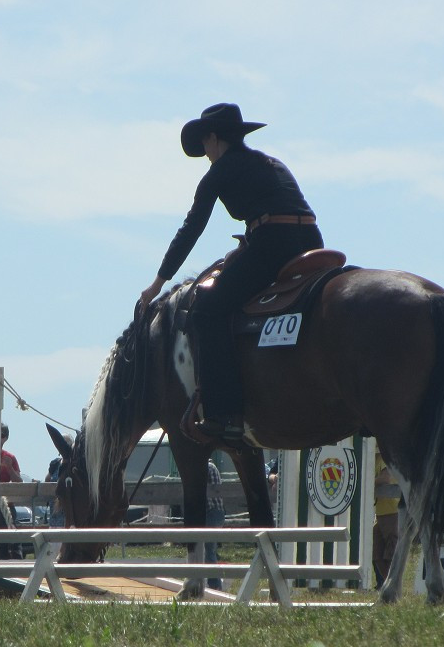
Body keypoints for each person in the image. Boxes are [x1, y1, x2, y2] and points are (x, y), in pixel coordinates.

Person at [137, 103, 323, 446]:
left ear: (212, 138)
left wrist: (157, 284)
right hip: (311, 240)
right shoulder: (270, 162)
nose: (206, 155)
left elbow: (191, 229)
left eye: (205, 146)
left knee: (207, 310)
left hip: (273, 242)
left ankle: (225, 413)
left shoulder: (220, 172)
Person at [372, 450, 399, 588]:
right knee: (376, 553)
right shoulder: (373, 459)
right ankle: (388, 582)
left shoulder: (384, 456)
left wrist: (366, 481)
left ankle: (392, 583)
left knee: (390, 551)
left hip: (392, 510)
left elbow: (385, 478)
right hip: (380, 512)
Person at [0, 422, 24, 559]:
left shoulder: (10, 457)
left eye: (0, 435)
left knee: (12, 539)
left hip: (6, 505)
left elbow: (19, 482)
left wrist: (9, 468)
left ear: (5, 438)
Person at [204, 459, 226, 590]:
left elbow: (209, 497)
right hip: (216, 512)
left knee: (209, 551)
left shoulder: (208, 467)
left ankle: (215, 585)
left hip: (212, 512)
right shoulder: (211, 466)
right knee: (209, 550)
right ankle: (213, 583)